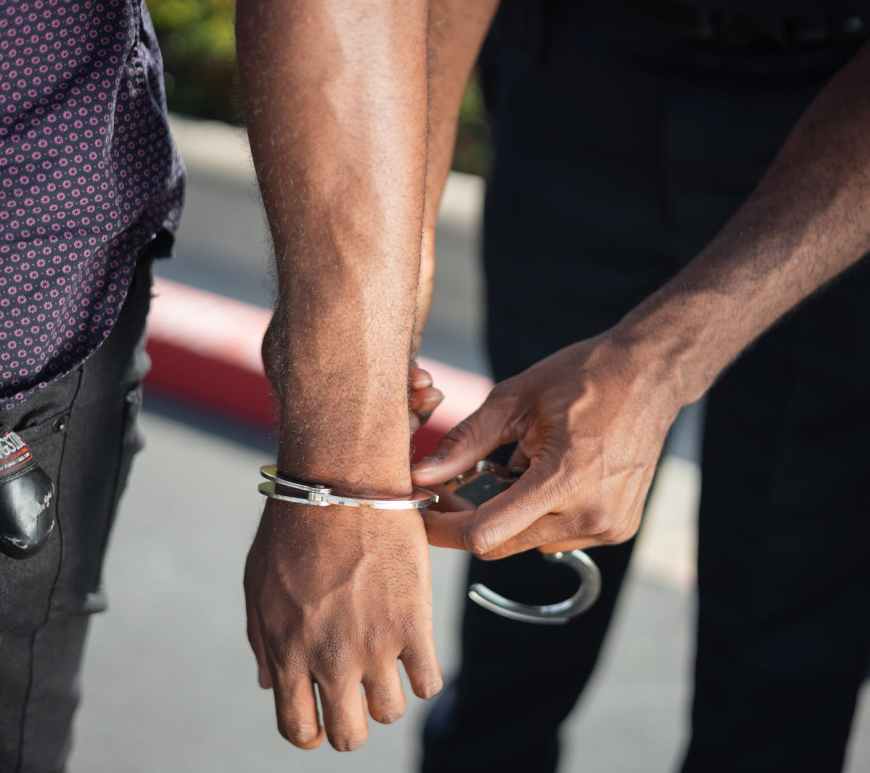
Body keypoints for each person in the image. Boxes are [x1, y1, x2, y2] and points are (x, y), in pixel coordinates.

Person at [238, 0, 870, 768]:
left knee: (783, 656)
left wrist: (656, 364)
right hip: (576, 79)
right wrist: (400, 239)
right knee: (518, 584)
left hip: (839, 126)